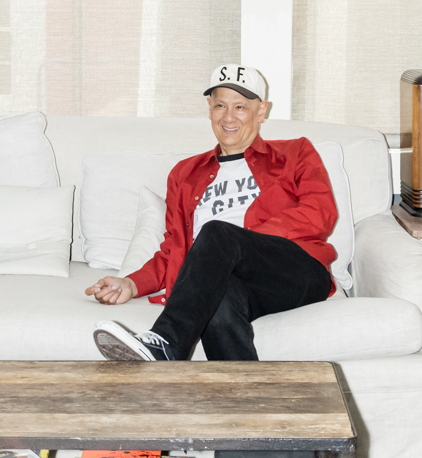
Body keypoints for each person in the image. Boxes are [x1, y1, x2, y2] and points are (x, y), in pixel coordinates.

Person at [90, 64, 337, 362]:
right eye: (220, 105)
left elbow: (320, 213)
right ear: (209, 109)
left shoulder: (295, 153)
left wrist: (237, 243)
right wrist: (131, 282)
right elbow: (175, 249)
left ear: (261, 111)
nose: (229, 117)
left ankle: (167, 342)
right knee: (218, 305)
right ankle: (241, 401)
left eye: (240, 107)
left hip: (295, 271)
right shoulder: (185, 174)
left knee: (217, 232)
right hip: (231, 278)